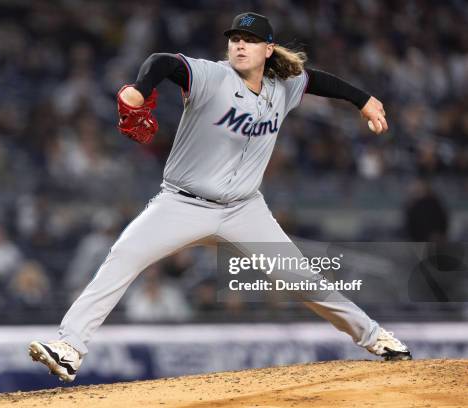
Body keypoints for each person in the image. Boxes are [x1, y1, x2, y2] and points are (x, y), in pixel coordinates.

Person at [29, 12, 411, 382]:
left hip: (245, 210)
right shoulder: (212, 76)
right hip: (182, 203)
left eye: (250, 40)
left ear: (268, 50)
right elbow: (162, 61)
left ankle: (378, 339)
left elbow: (316, 81)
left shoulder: (283, 87)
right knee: (123, 256)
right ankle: (69, 347)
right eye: (235, 39)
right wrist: (140, 88)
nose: (240, 45)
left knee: (303, 280)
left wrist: (362, 99)